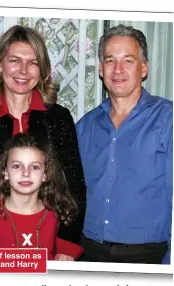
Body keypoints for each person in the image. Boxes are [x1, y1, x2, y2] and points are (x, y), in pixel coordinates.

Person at [0, 25, 86, 258]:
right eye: (14, 60)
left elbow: (73, 186)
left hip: (46, 244)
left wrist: (66, 247)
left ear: (42, 71)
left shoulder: (59, 119)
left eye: (33, 62)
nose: (23, 70)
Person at [76, 24, 172, 264]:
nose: (117, 69)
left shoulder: (168, 120)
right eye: (110, 60)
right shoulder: (84, 126)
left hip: (147, 257)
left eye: (128, 60)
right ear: (100, 68)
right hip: (88, 253)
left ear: (144, 68)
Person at [0, 134, 83, 260]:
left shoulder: (57, 214)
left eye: (35, 167)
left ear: (45, 175)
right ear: (5, 173)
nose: (26, 173)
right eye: (16, 166)